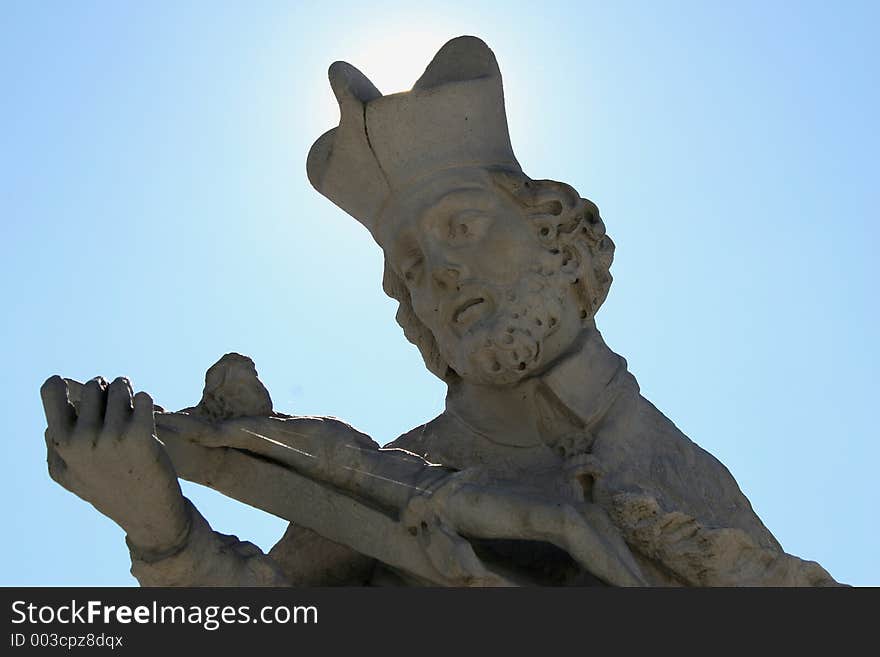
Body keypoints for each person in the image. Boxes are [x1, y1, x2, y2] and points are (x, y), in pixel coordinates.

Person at [40, 36, 838, 586]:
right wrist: (161, 531)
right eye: (413, 265)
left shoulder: (680, 476)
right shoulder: (380, 478)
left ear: (558, 240)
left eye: (461, 226)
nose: (443, 272)